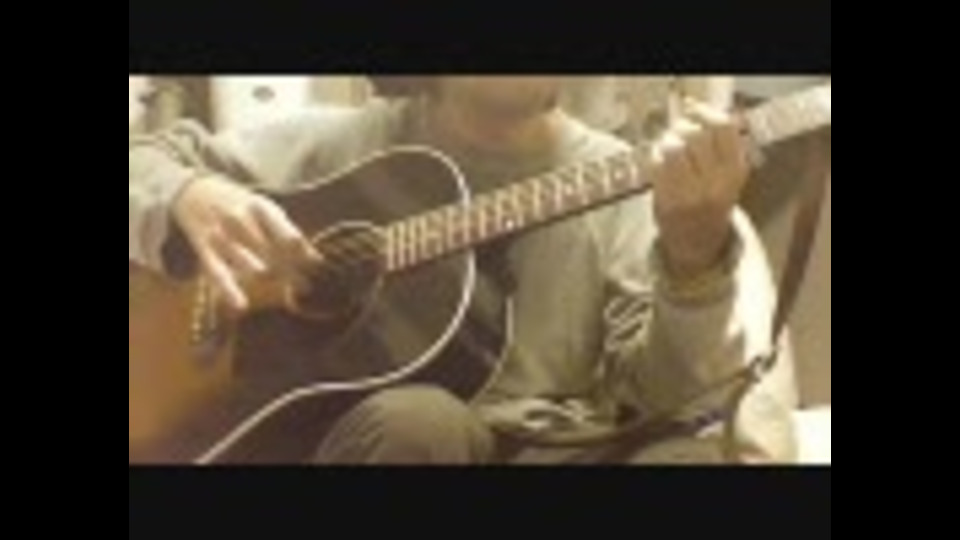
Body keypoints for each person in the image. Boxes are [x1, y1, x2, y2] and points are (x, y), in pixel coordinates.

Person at [128, 76, 798, 464]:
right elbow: (144, 158)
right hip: (387, 441)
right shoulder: (341, 142)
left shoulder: (625, 181)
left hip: (553, 445)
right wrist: (186, 195)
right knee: (420, 423)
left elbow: (666, 403)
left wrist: (693, 258)